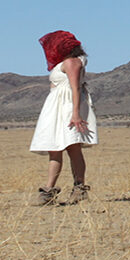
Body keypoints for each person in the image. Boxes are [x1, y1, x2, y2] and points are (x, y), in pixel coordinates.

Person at [29, 31, 97, 205]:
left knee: (73, 148)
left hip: (66, 108)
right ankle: (50, 191)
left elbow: (75, 88)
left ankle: (78, 188)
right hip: (56, 108)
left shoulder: (71, 62)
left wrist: (75, 114)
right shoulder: (65, 62)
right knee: (55, 148)